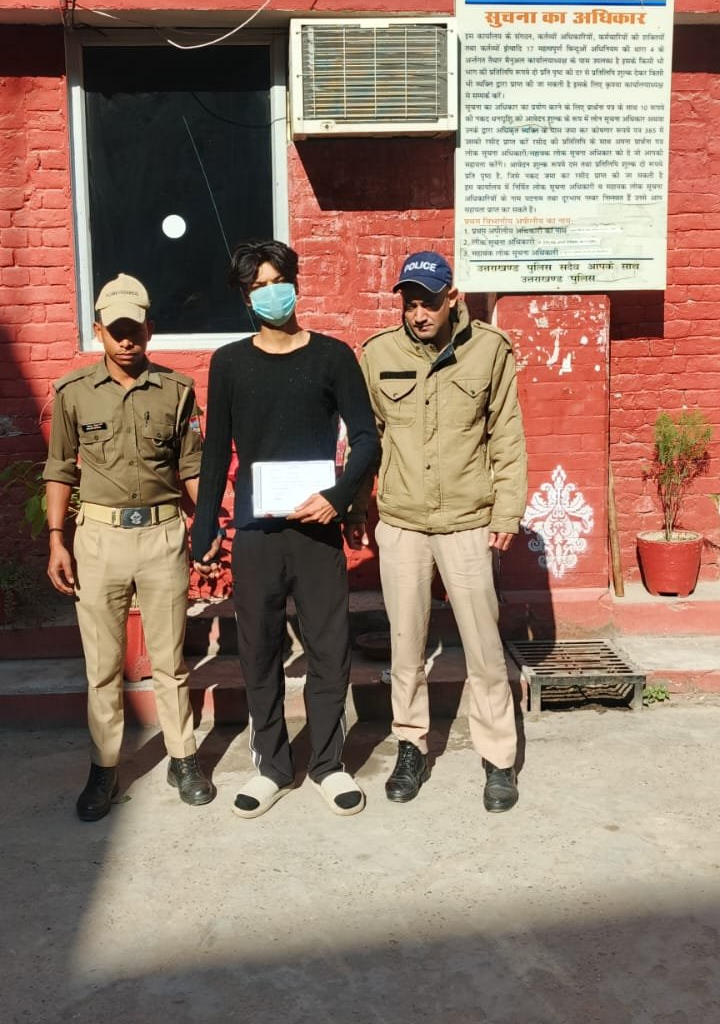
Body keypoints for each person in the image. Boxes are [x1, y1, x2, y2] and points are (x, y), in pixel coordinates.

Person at [191, 238, 379, 820]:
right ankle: (271, 766)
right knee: (258, 648)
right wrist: (205, 529)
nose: (271, 293)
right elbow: (215, 452)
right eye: (258, 287)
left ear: (295, 284)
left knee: (328, 647)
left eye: (279, 281)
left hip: (317, 530)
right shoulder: (229, 363)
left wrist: (338, 498)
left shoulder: (333, 356)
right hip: (256, 531)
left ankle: (328, 764)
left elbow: (366, 439)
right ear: (246, 299)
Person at [348, 250, 527, 811]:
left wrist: (507, 511)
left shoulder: (490, 351)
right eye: (409, 302)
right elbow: (366, 440)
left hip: (468, 523)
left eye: (428, 301)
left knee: (484, 647)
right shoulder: (379, 354)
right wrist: (356, 506)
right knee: (405, 645)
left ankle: (498, 758)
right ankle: (410, 744)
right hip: (402, 522)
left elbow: (506, 435)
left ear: (453, 298)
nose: (418, 313)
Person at [43, 274, 213, 821]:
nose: (125, 339)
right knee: (103, 665)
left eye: (134, 329)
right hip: (98, 539)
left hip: (163, 535)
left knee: (170, 661)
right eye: (115, 330)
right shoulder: (73, 393)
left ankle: (183, 757)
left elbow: (191, 464)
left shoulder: (177, 390)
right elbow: (59, 468)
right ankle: (104, 767)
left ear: (149, 329)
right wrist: (57, 540)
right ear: (99, 331)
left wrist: (210, 524)